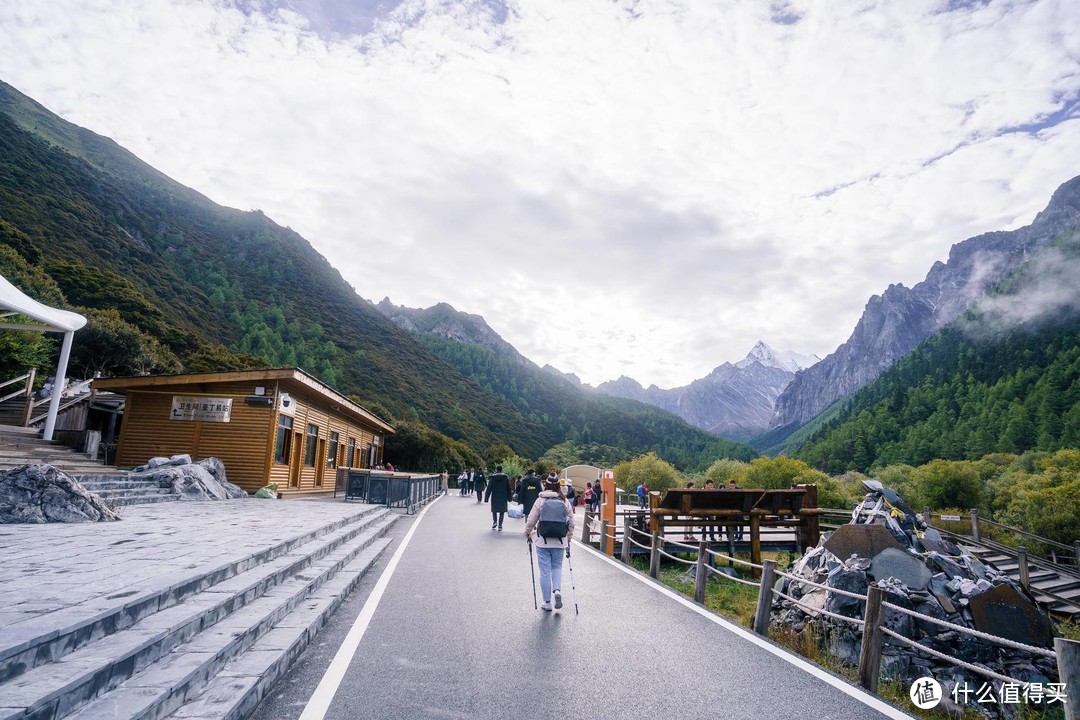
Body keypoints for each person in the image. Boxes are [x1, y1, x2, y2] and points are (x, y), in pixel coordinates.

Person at [525, 476, 575, 612]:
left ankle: (547, 603)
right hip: (560, 541)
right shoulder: (564, 500)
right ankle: (557, 590)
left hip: (543, 542)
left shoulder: (540, 500)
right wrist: (568, 538)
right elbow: (571, 522)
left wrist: (527, 531)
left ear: (545, 485)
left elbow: (531, 519)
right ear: (559, 485)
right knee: (557, 568)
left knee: (545, 572)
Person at [485, 464, 512, 530]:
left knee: (494, 510)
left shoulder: (493, 478)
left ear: (496, 469)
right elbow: (508, 488)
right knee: (501, 512)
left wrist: (486, 498)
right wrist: (510, 498)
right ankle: (500, 525)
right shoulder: (505, 478)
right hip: (503, 496)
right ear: (502, 469)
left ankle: (494, 522)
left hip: (495, 496)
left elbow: (489, 488)